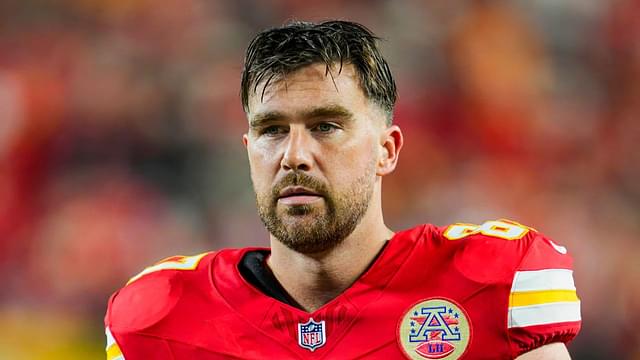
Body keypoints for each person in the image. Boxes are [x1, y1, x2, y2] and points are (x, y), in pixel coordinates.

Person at [104, 20, 581, 359]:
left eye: (325, 125)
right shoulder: (161, 318)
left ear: (387, 150)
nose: (294, 154)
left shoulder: (492, 285)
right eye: (272, 130)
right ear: (248, 149)